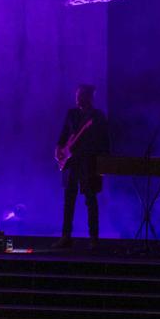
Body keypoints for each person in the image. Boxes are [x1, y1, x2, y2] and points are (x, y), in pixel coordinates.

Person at [54, 83, 109, 249]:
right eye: (76, 94)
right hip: (71, 163)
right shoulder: (71, 114)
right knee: (68, 200)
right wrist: (58, 150)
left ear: (89, 97)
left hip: (88, 162)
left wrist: (103, 164)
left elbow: (104, 141)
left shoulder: (97, 116)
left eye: (80, 95)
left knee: (90, 200)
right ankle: (66, 236)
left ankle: (93, 238)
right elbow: (63, 134)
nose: (77, 98)